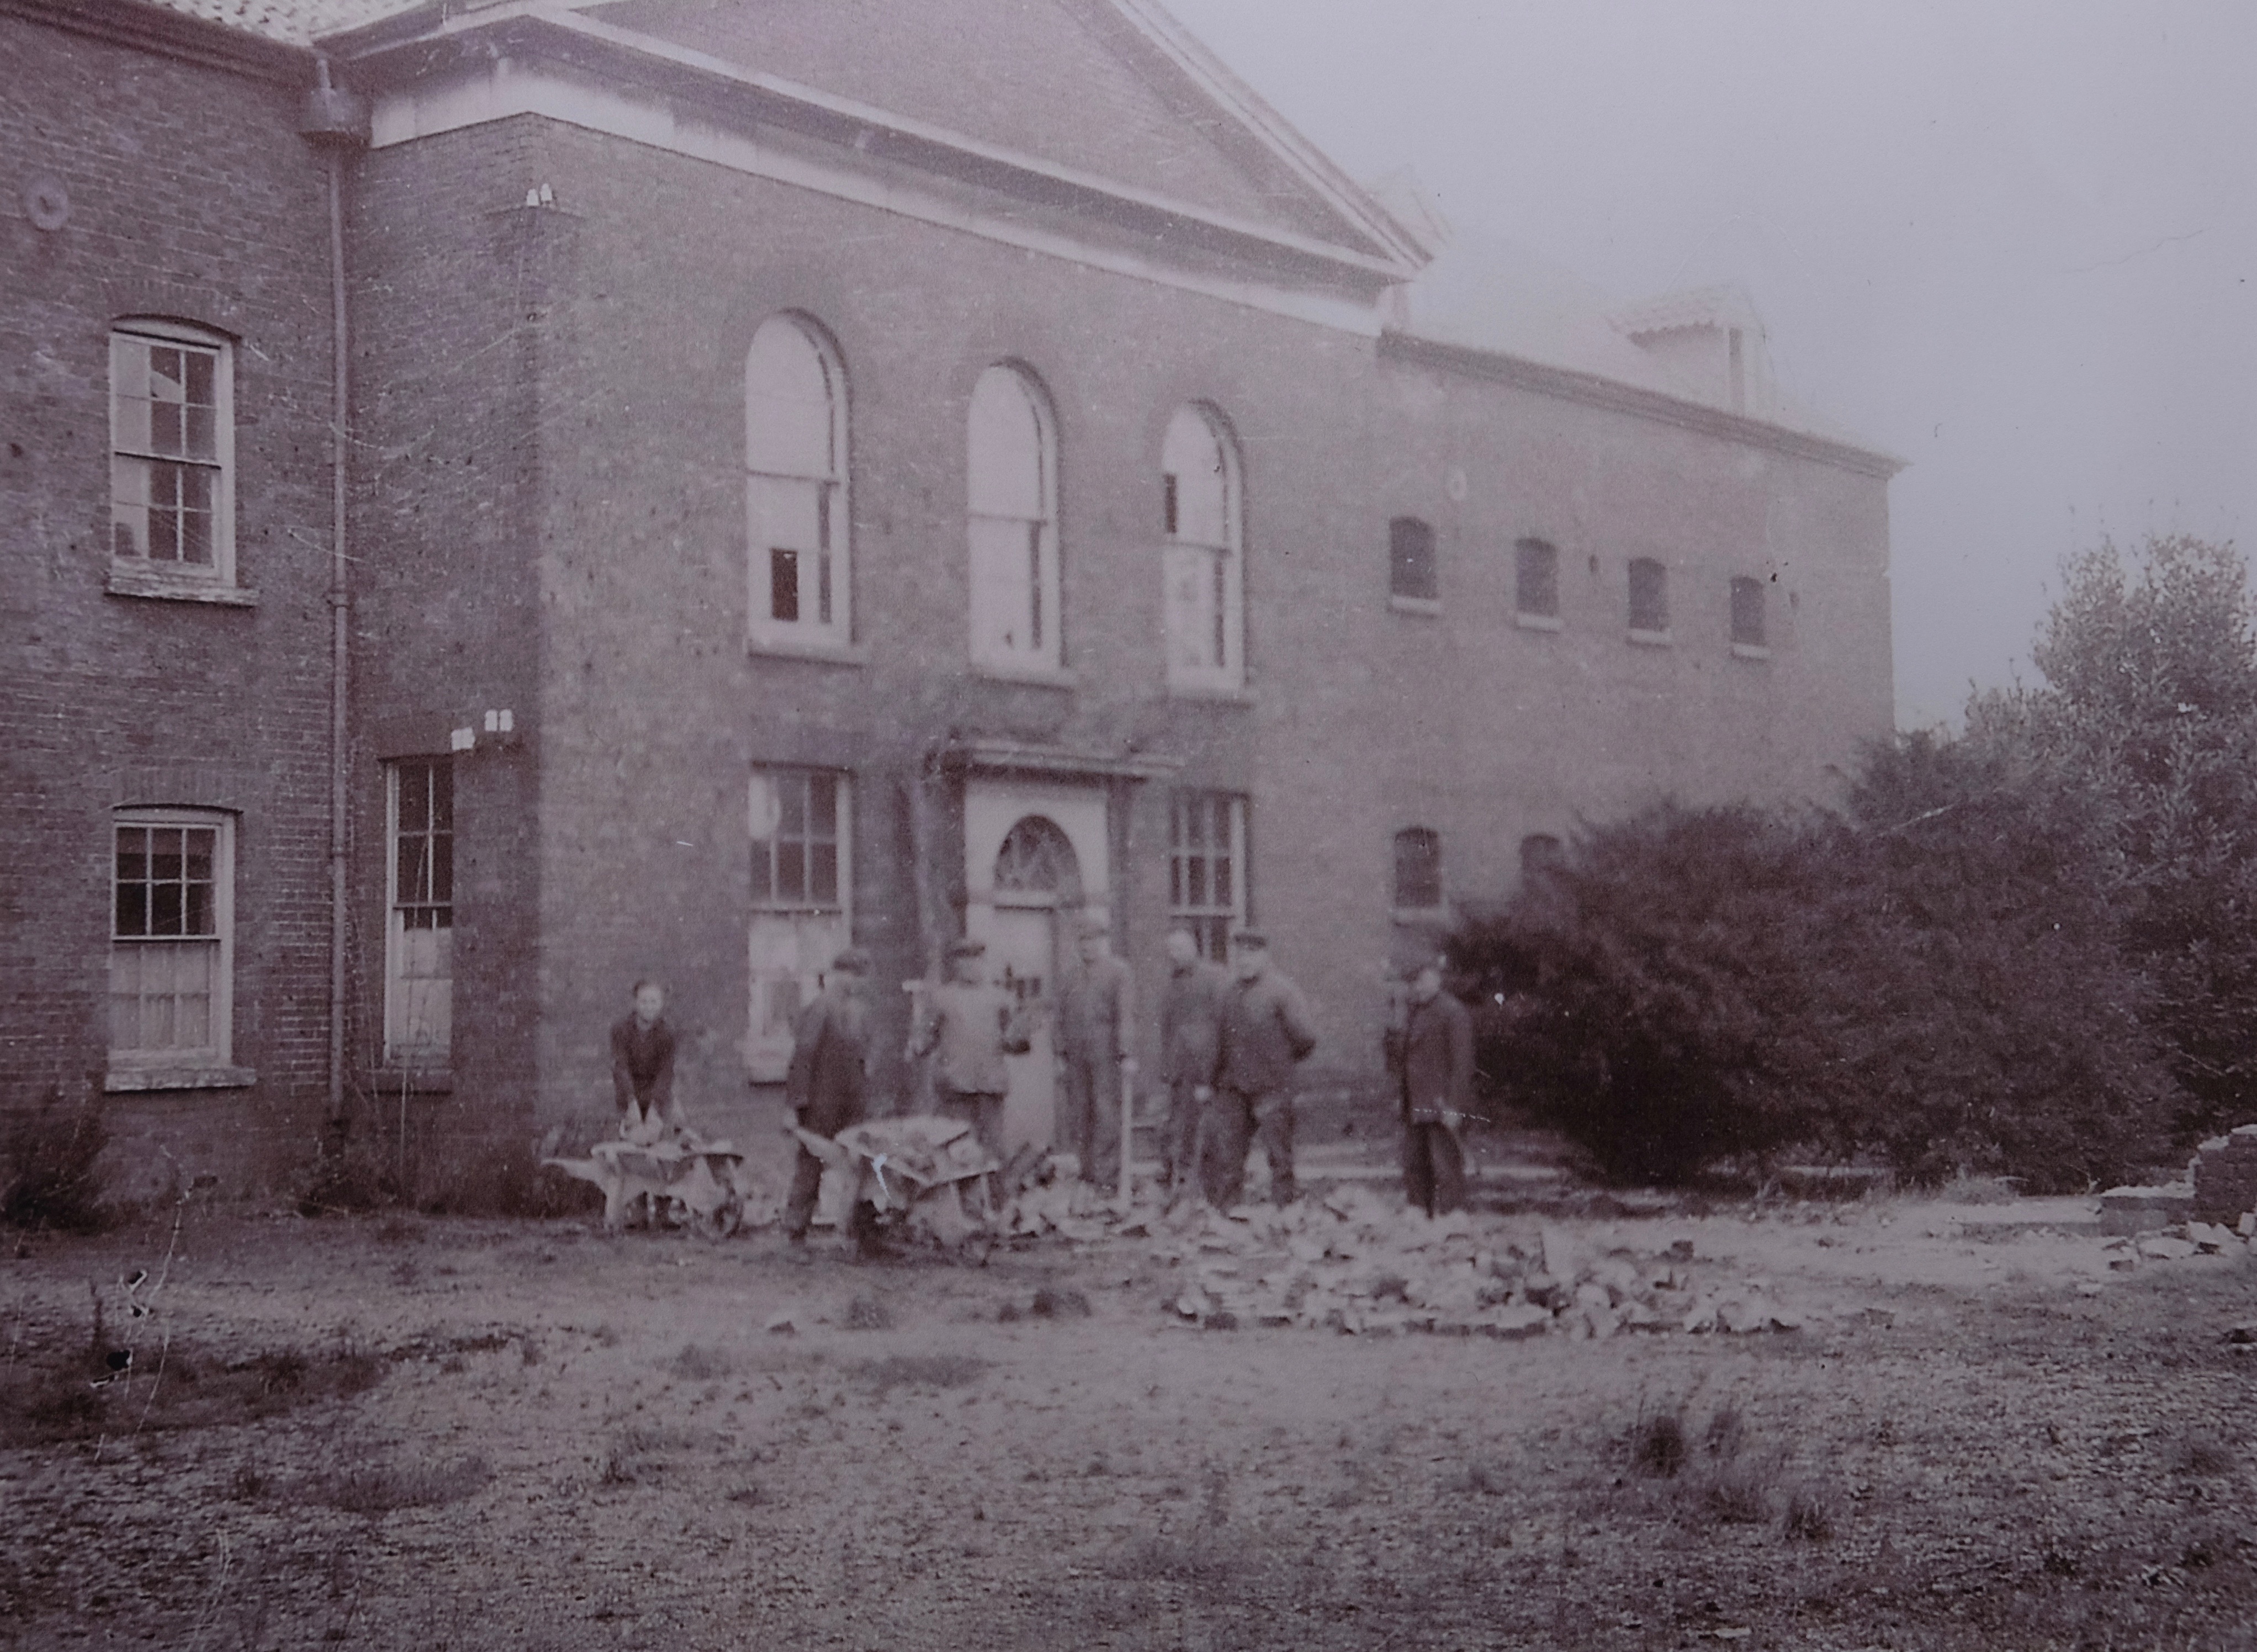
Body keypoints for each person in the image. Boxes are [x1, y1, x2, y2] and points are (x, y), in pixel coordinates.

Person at [1204, 930, 1317, 1209]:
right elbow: (1218, 1042)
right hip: (1234, 1089)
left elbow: (1306, 1038)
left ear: (1264, 956)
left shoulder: (1283, 991)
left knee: (1279, 1156)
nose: (1244, 961)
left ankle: (1284, 1213)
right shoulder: (1227, 993)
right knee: (1229, 1155)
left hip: (1272, 1089)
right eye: (1240, 955)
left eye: (1251, 954)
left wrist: (1278, 1065)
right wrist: (1214, 1080)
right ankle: (1227, 1214)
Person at [906, 938, 1029, 1190]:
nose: (970, 967)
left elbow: (1014, 1043)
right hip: (955, 1090)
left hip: (990, 1087)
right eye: (964, 961)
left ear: (983, 963)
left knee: (992, 1152)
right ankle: (962, 1211)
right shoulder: (941, 999)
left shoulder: (1000, 999)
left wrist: (1022, 1034)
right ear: (956, 965)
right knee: (957, 1153)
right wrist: (916, 1045)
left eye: (975, 961)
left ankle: (995, 1209)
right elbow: (924, 1038)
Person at [783, 949, 877, 1245]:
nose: (853, 984)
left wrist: (866, 1093)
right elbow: (803, 1057)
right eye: (848, 977)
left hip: (853, 1104)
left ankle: (861, 1228)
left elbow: (866, 1058)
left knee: (861, 1162)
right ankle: (796, 1228)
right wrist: (795, 1104)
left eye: (859, 978)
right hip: (821, 1103)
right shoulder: (820, 1007)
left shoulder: (861, 1012)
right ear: (836, 975)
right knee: (811, 1162)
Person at [1386, 956, 1474, 1217]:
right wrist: (1402, 1095)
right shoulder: (1413, 1012)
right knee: (1415, 1160)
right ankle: (1419, 1210)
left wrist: (1455, 1106)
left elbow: (1462, 1064)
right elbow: (1404, 1057)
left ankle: (1451, 1214)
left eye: (1423, 981)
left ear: (1437, 979)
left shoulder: (1454, 1012)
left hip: (1441, 1103)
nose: (1418, 988)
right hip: (1416, 1101)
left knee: (1445, 1162)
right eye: (1414, 983)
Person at [1056, 912, 1132, 1200]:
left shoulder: (1118, 972)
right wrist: (1060, 1053)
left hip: (1105, 1052)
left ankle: (1107, 1177)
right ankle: (1087, 1173)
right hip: (1077, 1054)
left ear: (1103, 941)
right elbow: (1060, 1017)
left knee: (1106, 1113)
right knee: (1080, 1113)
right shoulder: (1069, 977)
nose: (1087, 946)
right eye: (1083, 941)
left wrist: (1126, 1053)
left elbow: (1125, 1015)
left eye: (1093, 940)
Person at [1158, 926, 1228, 1205]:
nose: (1173, 956)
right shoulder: (1173, 984)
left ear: (1194, 948)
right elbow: (1168, 1029)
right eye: (1170, 951)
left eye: (1179, 949)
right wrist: (1168, 1068)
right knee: (1180, 1129)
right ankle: (1183, 1185)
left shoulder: (1215, 978)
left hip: (1206, 1071)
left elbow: (1222, 1027)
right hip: (1180, 1071)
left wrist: (1210, 1077)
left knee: (1209, 1132)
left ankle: (1211, 1192)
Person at [611, 979, 679, 1141]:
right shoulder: (621, 1030)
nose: (649, 1007)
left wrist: (655, 1107)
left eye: (654, 1002)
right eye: (644, 1002)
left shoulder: (667, 1033)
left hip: (656, 1095)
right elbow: (621, 1068)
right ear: (635, 1003)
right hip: (630, 1094)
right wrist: (631, 1102)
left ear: (661, 1004)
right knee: (629, 1137)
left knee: (673, 1127)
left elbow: (666, 1073)